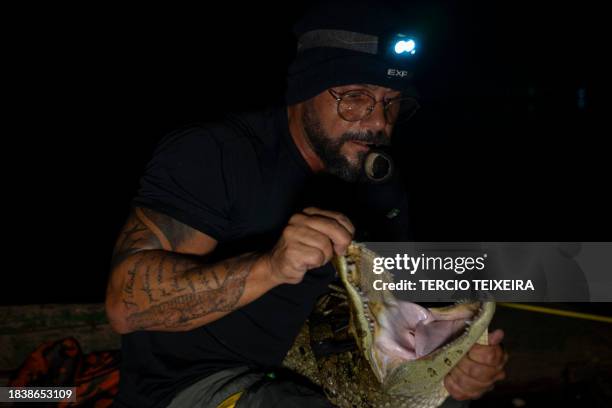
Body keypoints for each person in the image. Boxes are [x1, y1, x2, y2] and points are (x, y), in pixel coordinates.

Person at [106, 2, 507, 407]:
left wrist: (455, 363)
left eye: (390, 102)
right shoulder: (215, 154)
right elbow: (124, 305)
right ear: (304, 92)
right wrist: (271, 266)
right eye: (355, 98)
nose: (378, 123)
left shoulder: (373, 177)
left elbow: (390, 305)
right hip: (189, 387)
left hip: (306, 371)